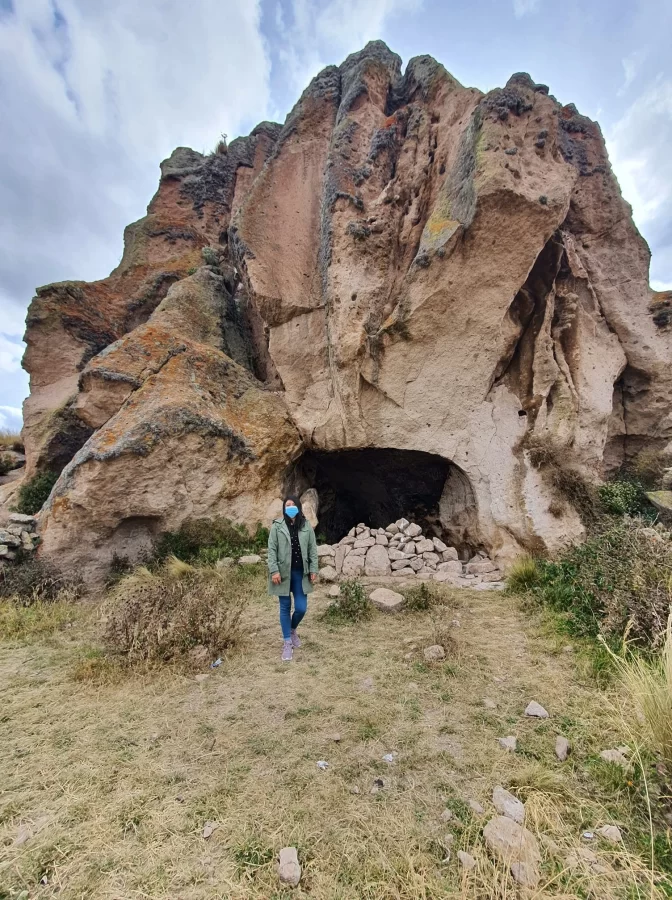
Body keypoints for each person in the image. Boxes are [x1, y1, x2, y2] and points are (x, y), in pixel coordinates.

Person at [267, 495, 319, 661]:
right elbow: (271, 550)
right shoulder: (277, 526)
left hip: (300, 573)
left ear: (298, 506)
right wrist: (274, 570)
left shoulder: (306, 526)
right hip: (282, 574)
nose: (290, 507)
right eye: (287, 505)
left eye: (292, 505)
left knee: (301, 608)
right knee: (284, 606)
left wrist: (313, 569)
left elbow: (312, 550)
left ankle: (291, 629)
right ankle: (287, 643)